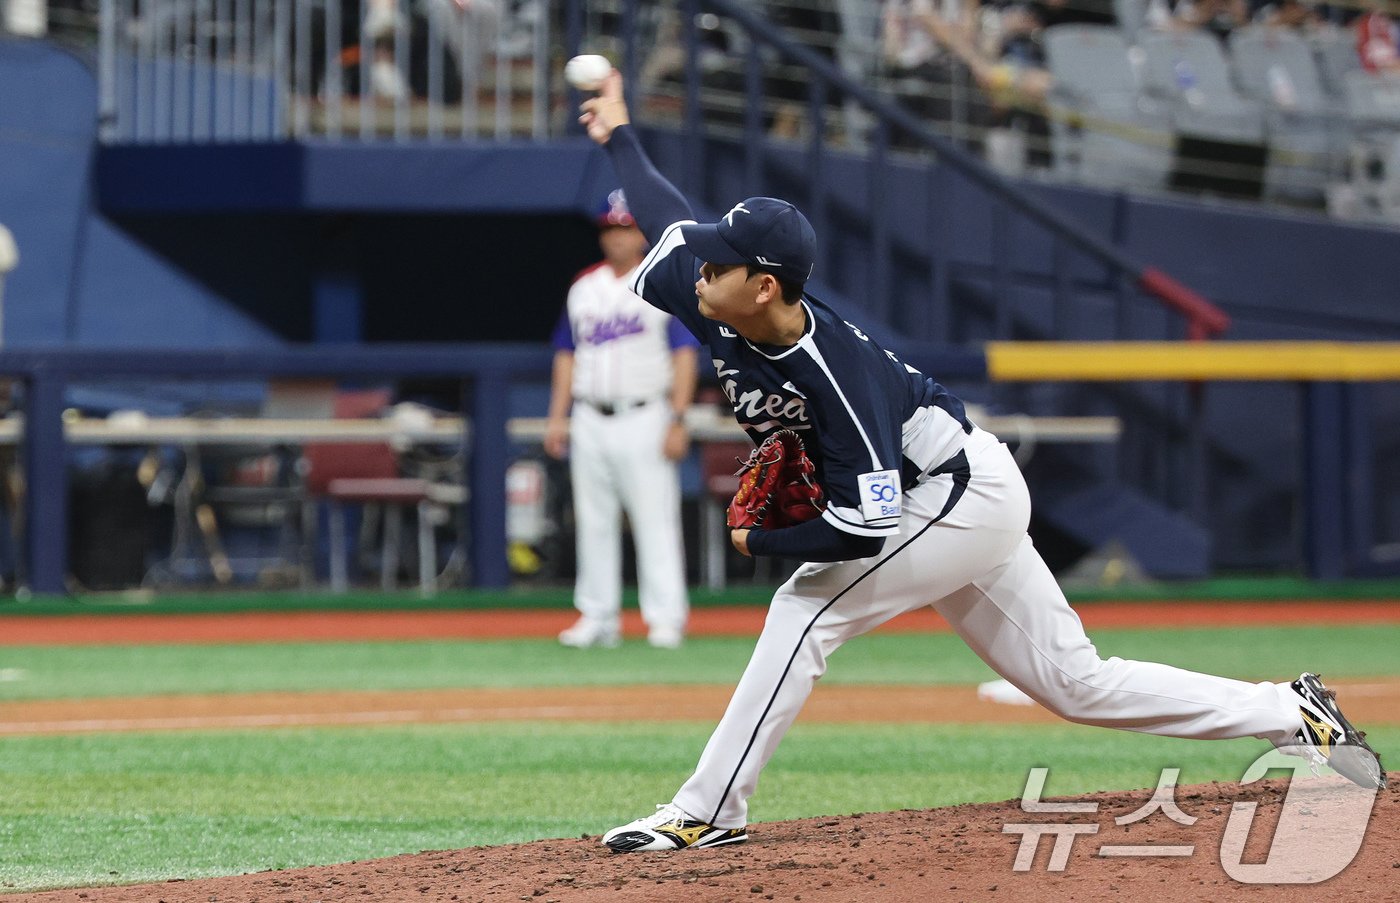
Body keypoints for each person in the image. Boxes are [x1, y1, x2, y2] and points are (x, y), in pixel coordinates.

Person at [571, 69, 1386, 852]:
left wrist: (763, 544)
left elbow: (864, 526)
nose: (699, 269)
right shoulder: (710, 288)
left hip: (956, 496)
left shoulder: (833, 372)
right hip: (959, 492)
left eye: (721, 262)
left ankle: (708, 808)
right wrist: (620, 136)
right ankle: (1292, 710)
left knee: (806, 608)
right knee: (1076, 683)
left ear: (766, 286)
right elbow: (665, 214)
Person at [545, 190, 699, 650]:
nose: (616, 236)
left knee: (655, 519)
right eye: (609, 228)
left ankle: (666, 619)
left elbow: (685, 355)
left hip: (645, 413)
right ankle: (598, 617)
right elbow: (566, 355)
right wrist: (558, 418)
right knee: (592, 521)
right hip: (590, 415)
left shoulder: (659, 283)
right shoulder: (583, 287)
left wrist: (678, 418)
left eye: (624, 227)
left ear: (640, 232)